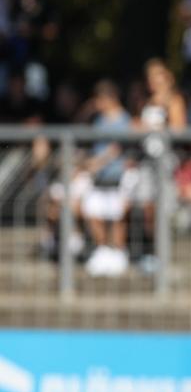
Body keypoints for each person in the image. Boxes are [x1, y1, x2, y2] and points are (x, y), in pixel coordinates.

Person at [79, 80, 133, 277]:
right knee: (93, 211)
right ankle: (102, 250)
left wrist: (96, 163)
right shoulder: (99, 120)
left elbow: (116, 149)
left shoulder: (125, 120)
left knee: (117, 216)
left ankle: (119, 252)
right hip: (99, 177)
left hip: (119, 175)